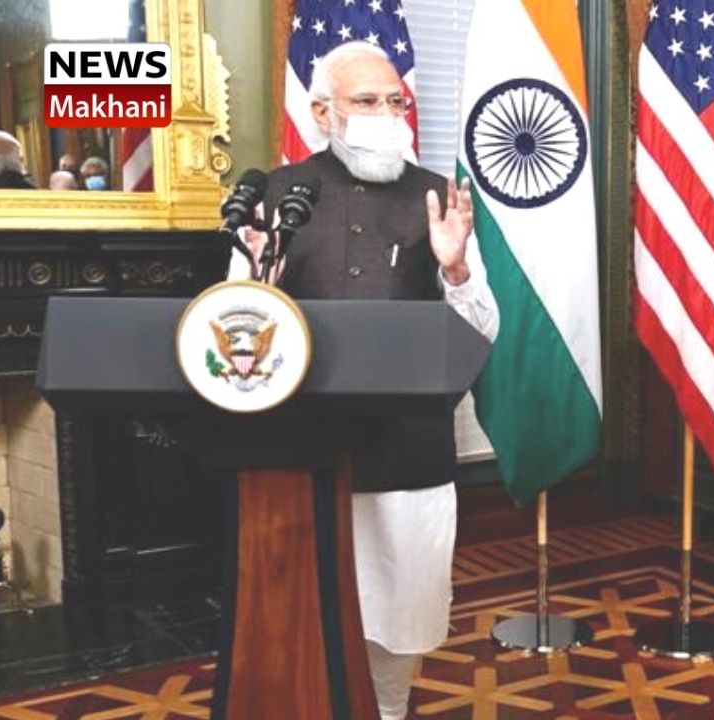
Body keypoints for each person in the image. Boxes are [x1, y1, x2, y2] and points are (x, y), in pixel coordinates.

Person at [231, 41, 498, 720]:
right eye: (366, 101)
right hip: (302, 443)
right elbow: (238, 326)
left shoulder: (438, 196)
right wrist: (260, 278)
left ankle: (389, 710)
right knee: (307, 606)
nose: (386, 114)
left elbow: (481, 330)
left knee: (401, 607)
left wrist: (456, 269)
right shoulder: (280, 194)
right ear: (323, 112)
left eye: (394, 102)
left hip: (406, 443)